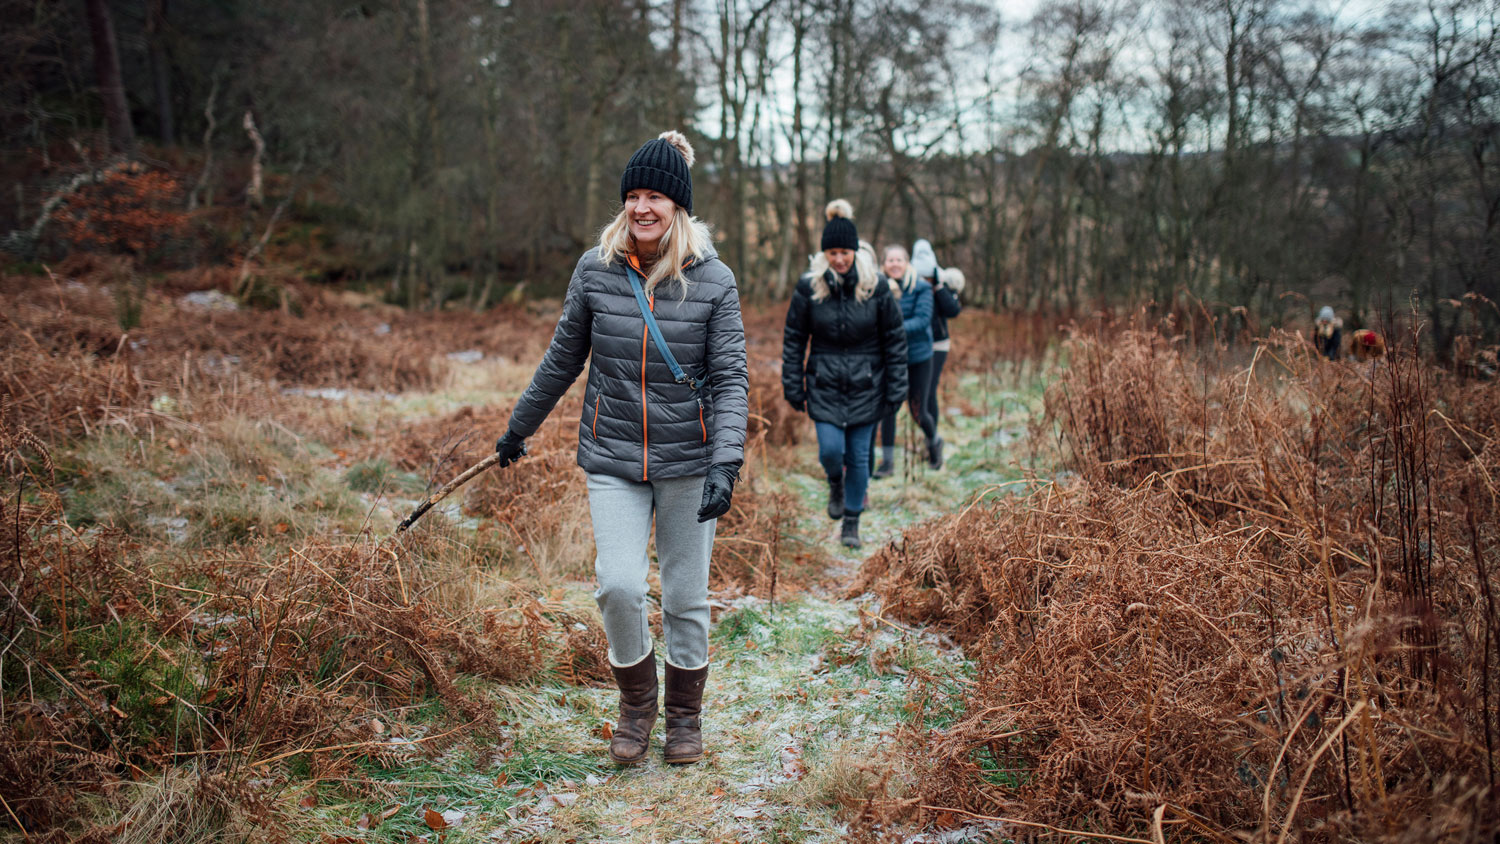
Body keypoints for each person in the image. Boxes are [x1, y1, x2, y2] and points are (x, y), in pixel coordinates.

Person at [494, 131, 749, 767]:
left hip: (690, 462)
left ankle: (685, 718)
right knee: (617, 584)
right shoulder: (595, 270)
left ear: (678, 207)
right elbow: (562, 360)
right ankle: (637, 706)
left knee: (686, 595)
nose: (642, 207)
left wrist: (725, 462)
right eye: (633, 194)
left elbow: (731, 379)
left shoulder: (714, 281)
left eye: (655, 196)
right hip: (612, 457)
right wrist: (518, 427)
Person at [782, 200, 907, 549]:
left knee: (859, 456)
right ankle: (834, 482)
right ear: (824, 254)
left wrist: (896, 389)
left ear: (855, 252)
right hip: (824, 384)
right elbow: (794, 339)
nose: (839, 259)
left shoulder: (876, 287)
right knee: (831, 452)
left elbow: (895, 340)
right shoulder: (809, 287)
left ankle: (851, 521)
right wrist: (793, 384)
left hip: (868, 385)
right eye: (833, 252)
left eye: (845, 252)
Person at [871, 243, 940, 477]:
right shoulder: (878, 288)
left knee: (918, 411)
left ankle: (934, 441)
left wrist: (890, 329)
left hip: (919, 357)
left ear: (907, 263)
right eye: (890, 260)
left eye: (899, 260)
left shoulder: (920, 288)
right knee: (888, 410)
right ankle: (887, 464)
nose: (895, 264)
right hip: (890, 359)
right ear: (884, 264)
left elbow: (922, 321)